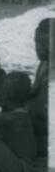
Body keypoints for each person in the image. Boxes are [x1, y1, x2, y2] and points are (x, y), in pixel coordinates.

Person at [28, 18, 49, 155]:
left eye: (44, 43)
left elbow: (43, 113)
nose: (38, 47)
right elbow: (32, 93)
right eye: (37, 42)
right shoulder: (44, 64)